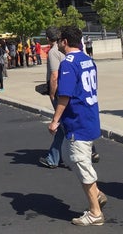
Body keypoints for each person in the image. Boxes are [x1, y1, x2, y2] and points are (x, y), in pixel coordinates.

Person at [48, 25, 106, 226]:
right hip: (89, 115)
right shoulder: (88, 59)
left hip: (77, 119)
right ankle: (96, 194)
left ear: (64, 42)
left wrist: (55, 120)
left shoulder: (68, 63)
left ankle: (95, 212)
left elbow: (64, 95)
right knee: (69, 154)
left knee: (81, 163)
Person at [39, 26, 65, 169]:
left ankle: (53, 158)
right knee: (68, 123)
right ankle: (91, 150)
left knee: (61, 124)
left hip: (60, 91)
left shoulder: (53, 52)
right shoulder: (64, 50)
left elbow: (54, 75)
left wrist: (52, 92)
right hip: (69, 90)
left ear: (48, 38)